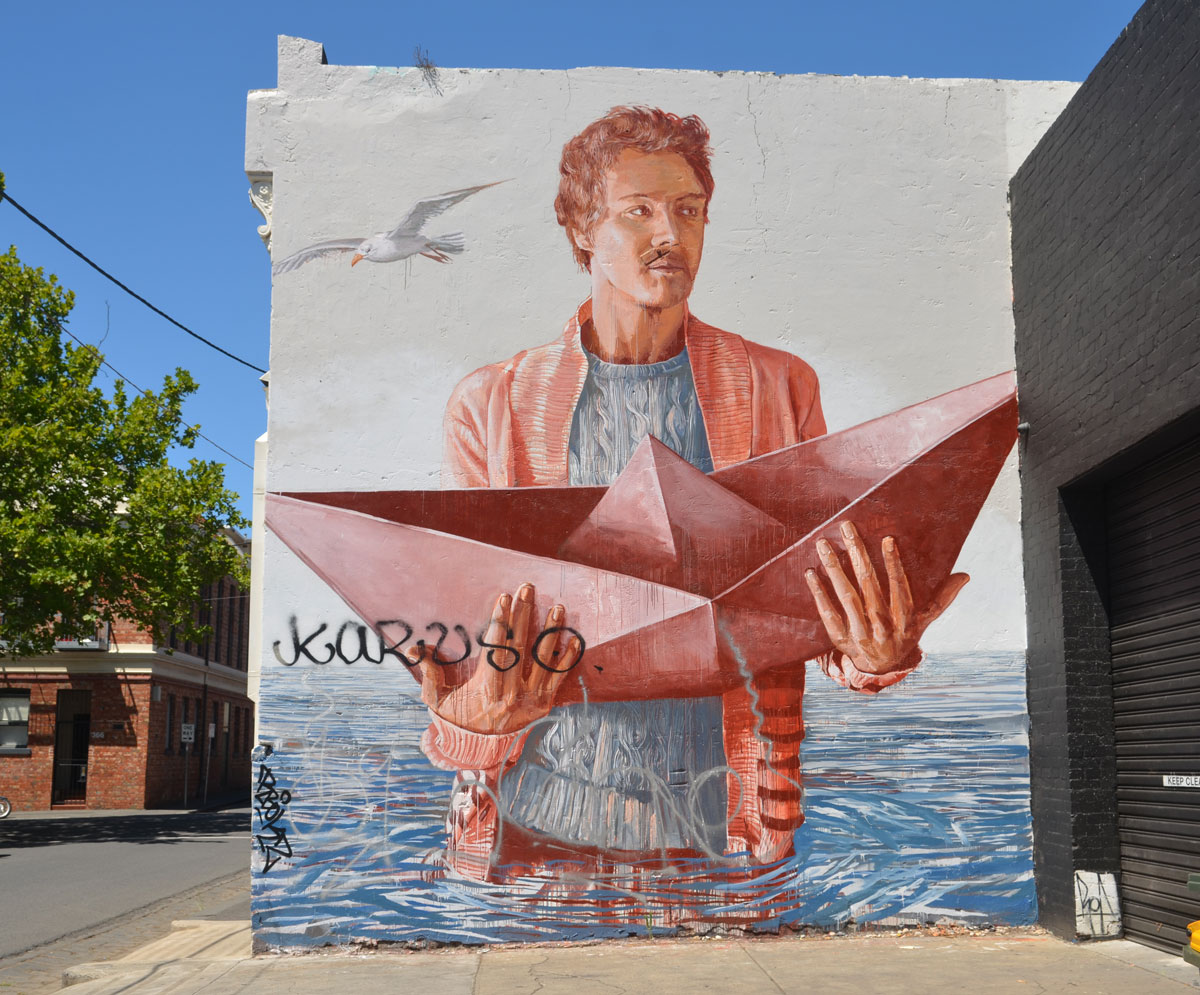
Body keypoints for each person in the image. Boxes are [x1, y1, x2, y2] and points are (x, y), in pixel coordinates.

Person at [405, 106, 967, 880]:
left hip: (726, 839)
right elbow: (469, 653)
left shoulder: (778, 386)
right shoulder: (492, 406)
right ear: (580, 231)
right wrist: (467, 719)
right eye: (637, 211)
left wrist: (875, 653)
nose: (669, 233)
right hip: (529, 842)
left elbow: (808, 616)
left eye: (688, 210)